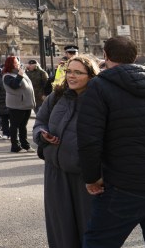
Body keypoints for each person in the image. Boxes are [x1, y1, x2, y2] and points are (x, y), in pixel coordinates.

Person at [78, 35, 145, 247]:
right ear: (135, 57)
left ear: (105, 56)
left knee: (98, 242)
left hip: (125, 183)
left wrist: (92, 178)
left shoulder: (99, 86)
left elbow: (89, 138)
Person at [32, 54, 100, 248]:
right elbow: (40, 122)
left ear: (91, 75)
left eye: (78, 72)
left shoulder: (99, 99)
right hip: (55, 172)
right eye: (69, 71)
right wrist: (41, 134)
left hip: (84, 176)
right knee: (60, 230)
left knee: (89, 230)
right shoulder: (57, 96)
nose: (71, 76)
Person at [2, 55, 35, 153]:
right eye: (16, 63)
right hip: (17, 105)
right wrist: (20, 75)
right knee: (15, 125)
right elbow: (15, 85)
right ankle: (15, 146)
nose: (18, 64)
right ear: (11, 64)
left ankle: (25, 145)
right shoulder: (7, 76)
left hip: (26, 104)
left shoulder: (20, 73)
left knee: (23, 126)